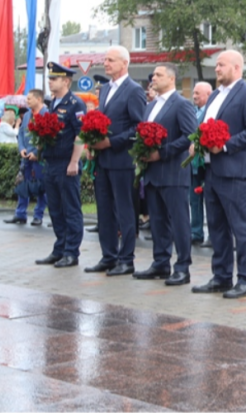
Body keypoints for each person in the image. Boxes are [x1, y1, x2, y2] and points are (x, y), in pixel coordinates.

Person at [190, 50, 246, 299]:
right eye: (216, 65)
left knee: (241, 228)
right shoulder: (214, 97)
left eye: (221, 65)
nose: (217, 69)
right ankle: (221, 276)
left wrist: (224, 145)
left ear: (236, 67)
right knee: (217, 227)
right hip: (212, 170)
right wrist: (197, 142)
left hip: (234, 171)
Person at [133, 63, 197, 286]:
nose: (153, 78)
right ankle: (160, 263)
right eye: (153, 75)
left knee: (179, 222)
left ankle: (182, 267)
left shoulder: (181, 104)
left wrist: (161, 153)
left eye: (158, 75)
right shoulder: (150, 106)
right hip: (152, 173)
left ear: (171, 79)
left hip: (172, 173)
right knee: (158, 222)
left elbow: (190, 135)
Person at [87, 45, 146, 276]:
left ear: (125, 63)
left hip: (122, 160)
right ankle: (108, 256)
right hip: (103, 160)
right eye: (105, 59)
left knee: (124, 211)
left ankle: (126, 259)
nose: (106, 63)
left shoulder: (133, 90)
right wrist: (93, 142)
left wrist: (111, 143)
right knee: (104, 211)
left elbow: (138, 128)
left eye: (111, 60)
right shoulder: (106, 89)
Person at [33, 62, 85, 268]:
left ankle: (71, 252)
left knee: (70, 209)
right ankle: (60, 248)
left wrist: (74, 161)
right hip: (51, 162)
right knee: (55, 208)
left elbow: (81, 134)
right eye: (49, 79)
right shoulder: (51, 104)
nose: (50, 82)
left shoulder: (75, 104)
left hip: (66, 162)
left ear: (66, 81)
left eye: (54, 79)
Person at [6, 95, 47, 226]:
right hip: (26, 157)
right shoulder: (28, 114)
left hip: (40, 158)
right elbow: (22, 134)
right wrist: (22, 148)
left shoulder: (47, 114)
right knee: (23, 184)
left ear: (38, 99)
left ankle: (38, 215)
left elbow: (47, 136)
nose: (27, 101)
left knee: (42, 186)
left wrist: (36, 152)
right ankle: (20, 214)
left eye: (29, 99)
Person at [190, 81, 212, 247]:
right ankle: (196, 232)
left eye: (198, 93)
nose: (194, 96)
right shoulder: (192, 112)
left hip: (208, 163)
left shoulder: (211, 113)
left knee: (210, 201)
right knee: (194, 199)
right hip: (193, 164)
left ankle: (213, 235)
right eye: (194, 93)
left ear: (208, 95)